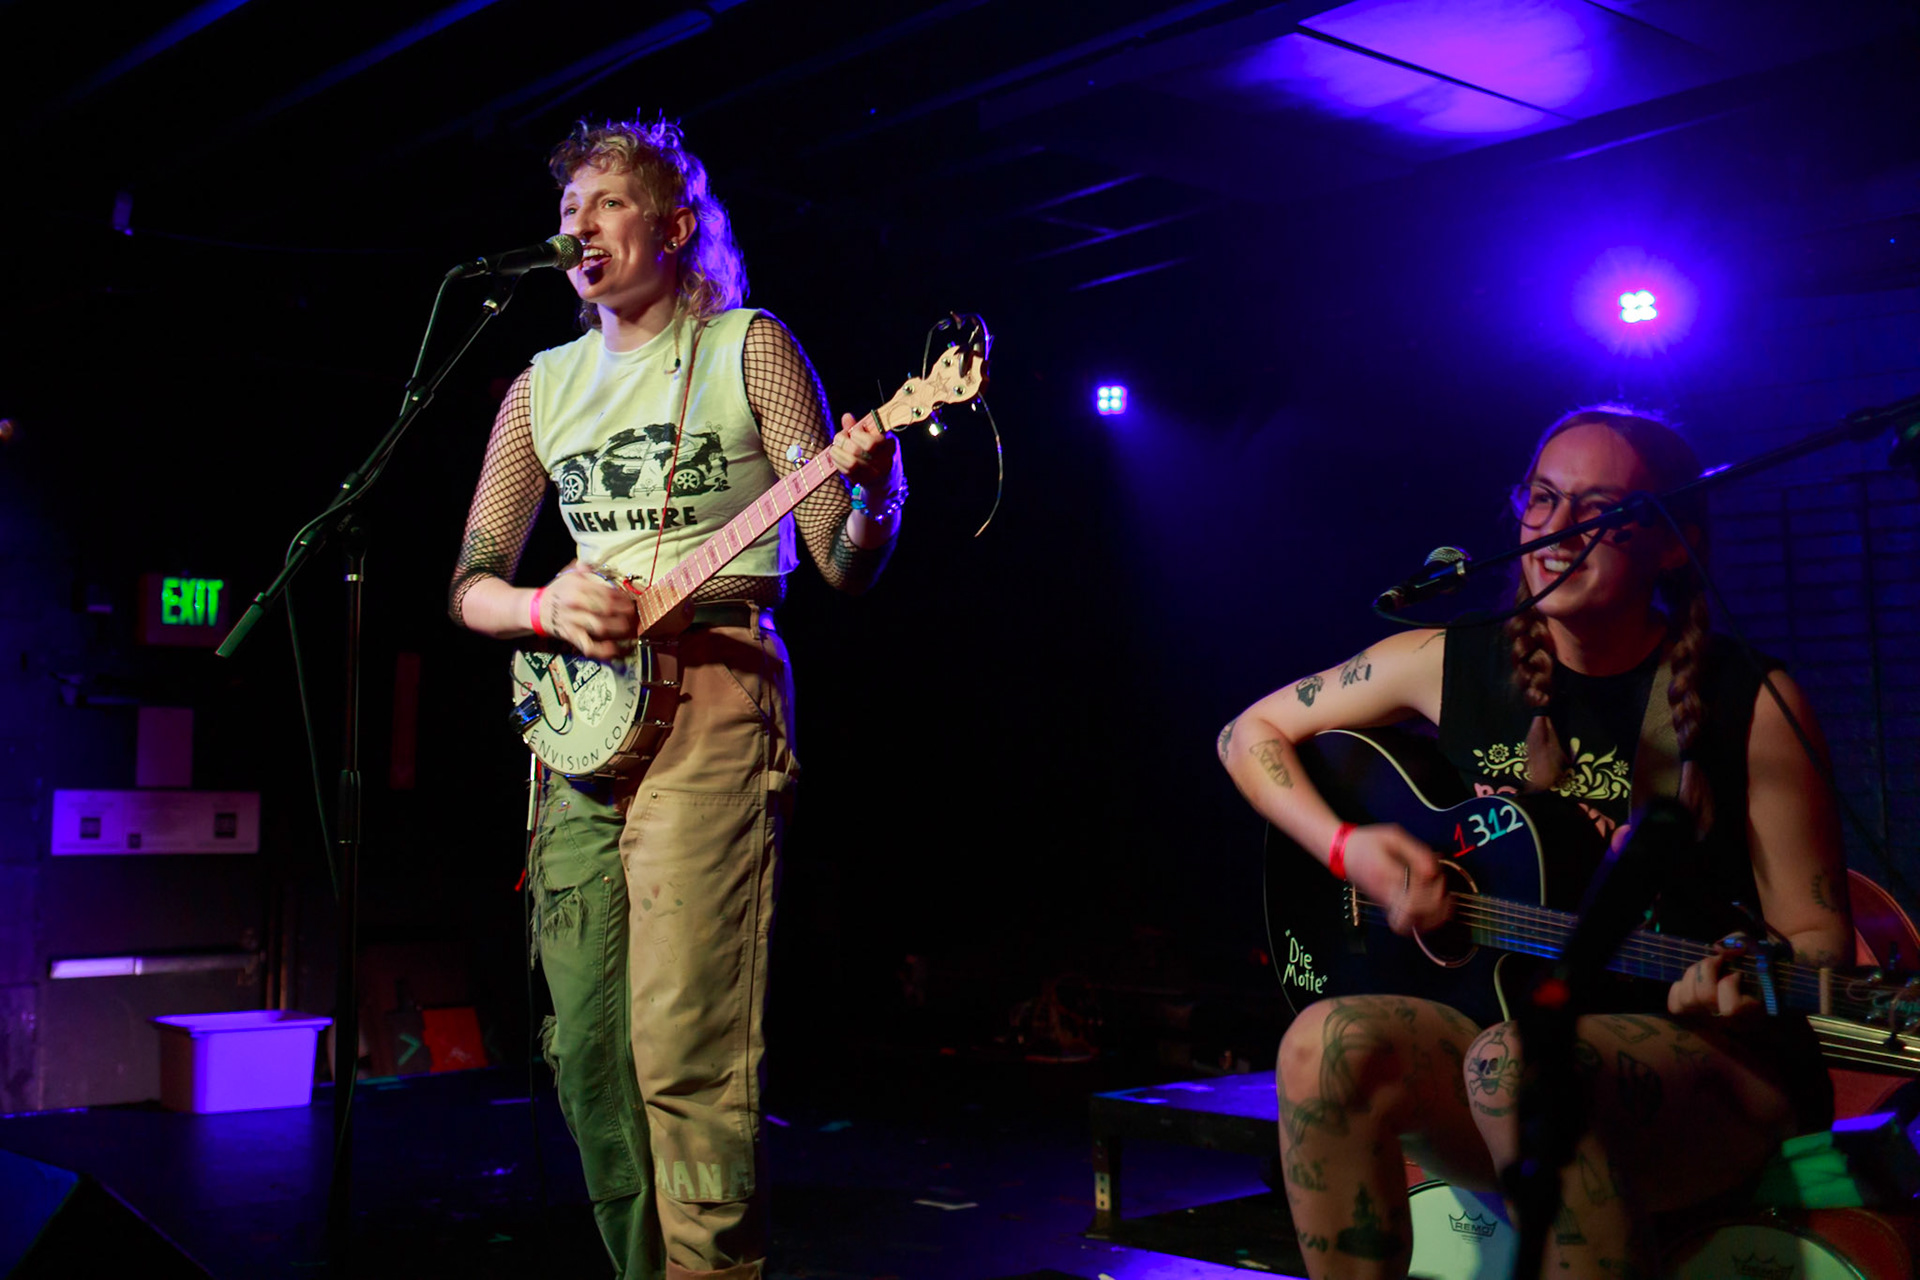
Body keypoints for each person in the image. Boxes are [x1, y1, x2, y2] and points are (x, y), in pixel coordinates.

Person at [1219, 406, 1852, 1279]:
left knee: (1518, 1064)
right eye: (1543, 499)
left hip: (1716, 1067)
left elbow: (1822, 939)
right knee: (1321, 1044)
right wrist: (1347, 849)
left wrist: (1746, 975)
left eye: (1598, 511)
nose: (1558, 532)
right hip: (1508, 1052)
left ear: (1670, 544)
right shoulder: (1450, 659)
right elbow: (1246, 735)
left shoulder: (1748, 699)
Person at [448, 116, 905, 1280]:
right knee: (587, 1055)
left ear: (674, 226)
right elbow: (471, 582)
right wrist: (542, 605)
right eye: (570, 207)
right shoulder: (540, 387)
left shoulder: (749, 347)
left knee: (683, 1046)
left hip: (714, 696)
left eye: (607, 201)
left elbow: (838, 559)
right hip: (575, 722)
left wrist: (876, 491)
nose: (580, 224)